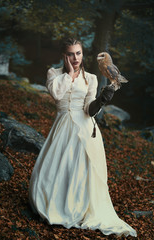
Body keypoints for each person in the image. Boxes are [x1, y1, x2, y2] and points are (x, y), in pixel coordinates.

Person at [29, 38, 137, 237]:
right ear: (64, 56)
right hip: (63, 126)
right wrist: (70, 74)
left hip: (85, 128)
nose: (75, 58)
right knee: (57, 169)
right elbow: (56, 94)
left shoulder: (91, 78)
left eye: (78, 53)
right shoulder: (54, 73)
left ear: (82, 53)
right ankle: (56, 204)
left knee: (81, 171)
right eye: (70, 54)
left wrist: (103, 99)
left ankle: (78, 207)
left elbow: (89, 110)